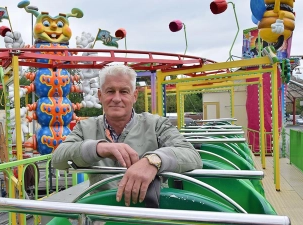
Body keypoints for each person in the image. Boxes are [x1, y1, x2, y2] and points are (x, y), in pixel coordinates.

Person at [52, 64, 203, 207]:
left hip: (149, 211)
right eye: (110, 91)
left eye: (124, 91)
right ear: (100, 95)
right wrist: (98, 148)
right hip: (102, 214)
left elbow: (192, 155)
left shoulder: (156, 125)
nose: (116, 99)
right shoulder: (85, 127)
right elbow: (58, 159)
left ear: (134, 95)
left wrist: (153, 160)